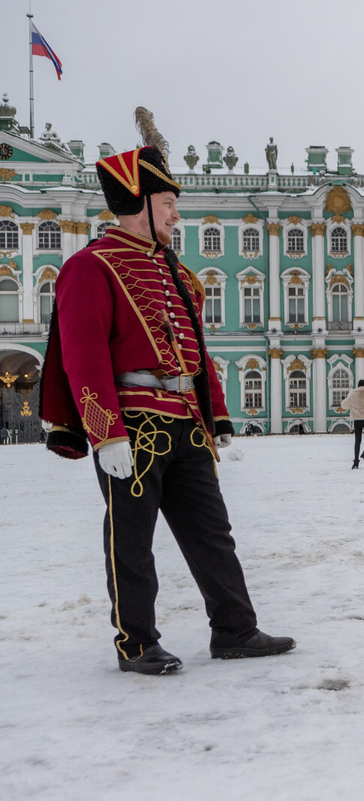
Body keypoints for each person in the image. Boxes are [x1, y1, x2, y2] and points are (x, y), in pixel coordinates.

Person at [38, 107, 293, 675]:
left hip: (184, 420)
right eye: (169, 205)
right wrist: (105, 434)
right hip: (134, 424)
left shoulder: (175, 271)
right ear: (137, 205)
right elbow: (84, 354)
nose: (178, 215)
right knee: (131, 540)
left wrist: (214, 414)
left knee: (213, 533)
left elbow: (196, 351)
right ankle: (137, 643)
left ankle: (235, 629)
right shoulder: (90, 266)